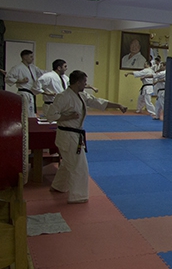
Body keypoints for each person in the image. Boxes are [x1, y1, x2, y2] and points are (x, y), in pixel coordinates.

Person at [47, 70, 127, 203]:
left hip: (74, 134)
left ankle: (59, 186)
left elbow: (98, 102)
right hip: (67, 135)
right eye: (84, 82)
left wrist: (117, 105)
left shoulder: (81, 95)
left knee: (68, 163)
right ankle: (78, 196)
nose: (86, 84)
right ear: (78, 82)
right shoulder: (63, 96)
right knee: (79, 166)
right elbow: (50, 115)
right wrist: (68, 117)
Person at [3, 49, 45, 117]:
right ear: (25, 57)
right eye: (31, 57)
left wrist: (53, 72)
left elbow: (42, 73)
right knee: (25, 113)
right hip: (23, 93)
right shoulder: (17, 68)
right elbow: (8, 78)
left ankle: (31, 123)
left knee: (31, 113)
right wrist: (20, 81)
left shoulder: (33, 67)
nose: (32, 59)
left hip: (31, 93)